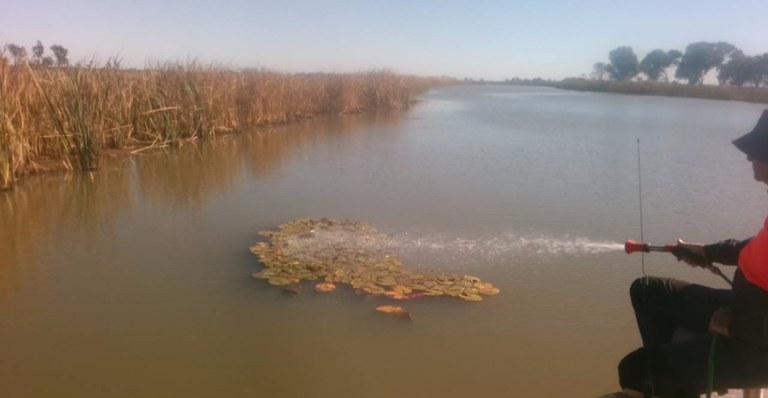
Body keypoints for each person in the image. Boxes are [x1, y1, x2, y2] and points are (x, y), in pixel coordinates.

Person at [612, 110, 768, 398]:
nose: (749, 159)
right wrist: (707, 251)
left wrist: (734, 326)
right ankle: (674, 374)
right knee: (647, 290)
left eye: (757, 152)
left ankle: (666, 376)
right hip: (743, 308)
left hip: (756, 342)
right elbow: (755, 246)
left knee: (636, 368)